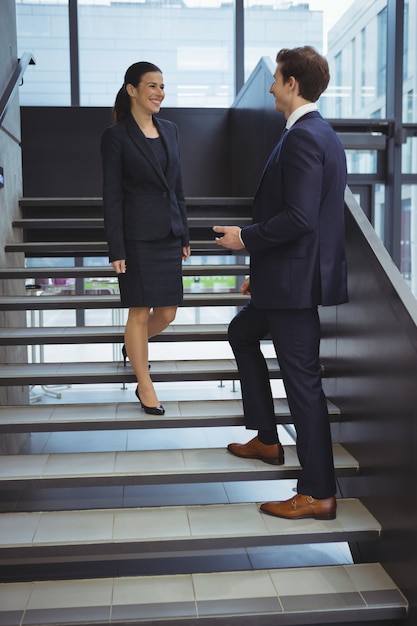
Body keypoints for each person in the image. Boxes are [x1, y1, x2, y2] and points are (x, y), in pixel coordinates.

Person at [213, 46, 348, 520]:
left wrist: (244, 239)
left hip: (293, 289)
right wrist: (261, 270)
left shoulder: (305, 138)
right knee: (241, 333)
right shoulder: (315, 134)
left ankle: (317, 492)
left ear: (292, 84)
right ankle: (268, 439)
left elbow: (299, 218)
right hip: (283, 279)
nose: (270, 86)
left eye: (276, 78)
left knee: (303, 387)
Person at [101, 61, 190, 415]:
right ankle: (144, 383)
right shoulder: (116, 137)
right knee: (139, 311)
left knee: (167, 312)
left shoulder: (170, 129)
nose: (159, 93)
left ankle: (132, 346)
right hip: (136, 237)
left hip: (168, 233)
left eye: (162, 86)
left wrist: (183, 230)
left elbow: (178, 186)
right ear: (132, 90)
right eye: (151, 86)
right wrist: (116, 247)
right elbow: (112, 196)